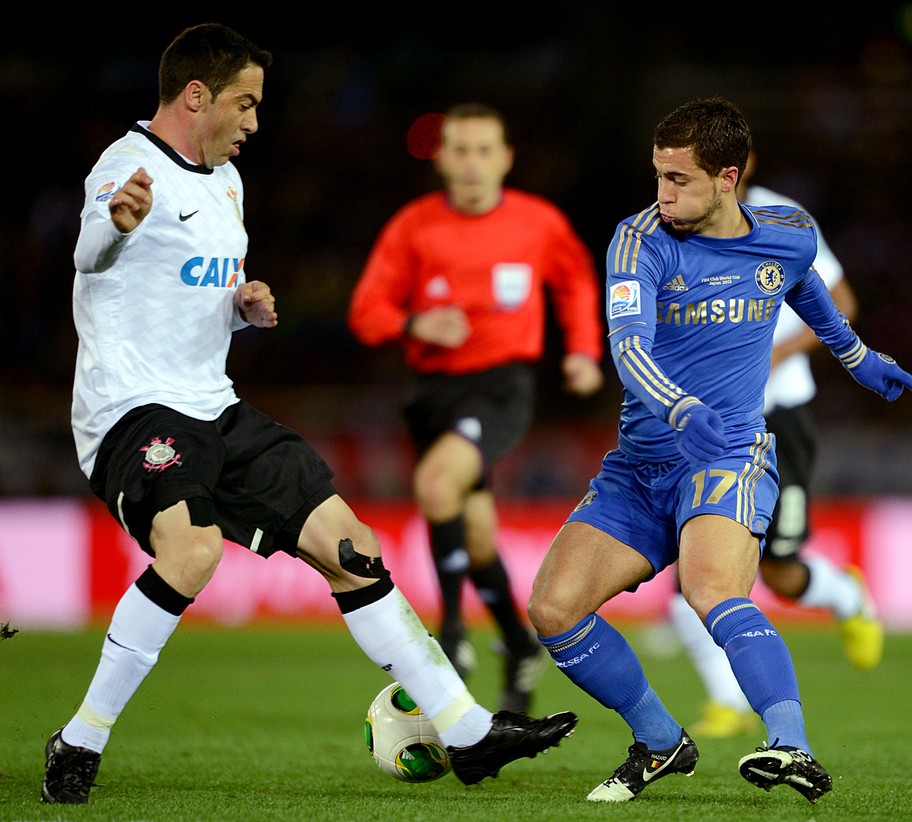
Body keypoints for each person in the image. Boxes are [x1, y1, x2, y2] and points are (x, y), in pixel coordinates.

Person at [42, 25, 577, 806]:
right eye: (246, 103)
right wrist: (114, 225)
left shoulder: (227, 182)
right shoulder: (127, 168)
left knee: (351, 548)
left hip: (213, 406)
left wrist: (239, 307)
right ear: (198, 96)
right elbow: (92, 254)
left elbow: (181, 293)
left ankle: (467, 734)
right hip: (132, 410)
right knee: (190, 555)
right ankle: (80, 739)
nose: (256, 122)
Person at [526, 97, 912, 805]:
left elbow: (804, 287)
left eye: (678, 180)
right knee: (554, 610)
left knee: (711, 590)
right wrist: (678, 407)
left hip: (729, 454)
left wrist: (857, 356)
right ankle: (659, 741)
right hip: (641, 466)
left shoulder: (788, 233)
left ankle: (791, 747)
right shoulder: (638, 241)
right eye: (657, 176)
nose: (662, 195)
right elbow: (628, 347)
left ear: (726, 178)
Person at [348, 102, 605, 714]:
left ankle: (452, 638)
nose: (471, 164)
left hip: (502, 387)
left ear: (506, 158)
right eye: (459, 150)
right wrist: (415, 321)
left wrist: (585, 351)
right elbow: (365, 313)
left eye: (484, 150)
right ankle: (519, 647)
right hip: (432, 395)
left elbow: (575, 280)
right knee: (480, 542)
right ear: (440, 159)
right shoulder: (413, 227)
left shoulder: (538, 223)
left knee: (437, 485)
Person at [662, 148, 882, 740]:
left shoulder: (783, 220)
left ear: (742, 164)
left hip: (780, 419)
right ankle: (725, 702)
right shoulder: (666, 224)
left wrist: (776, 353)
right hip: (709, 427)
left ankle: (846, 596)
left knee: (780, 570)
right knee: (694, 565)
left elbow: (846, 303)